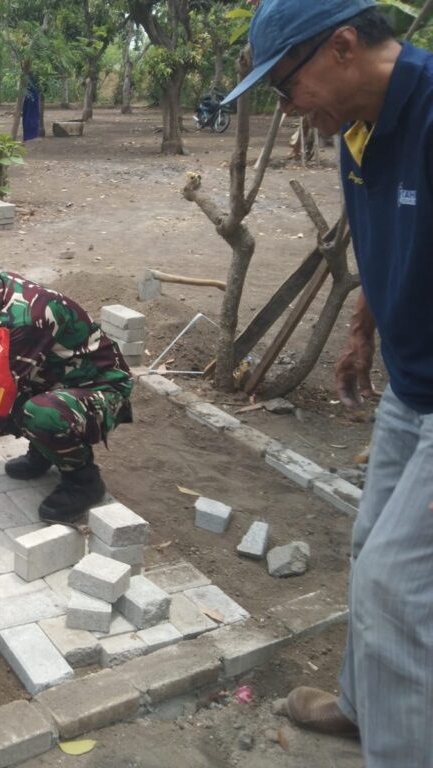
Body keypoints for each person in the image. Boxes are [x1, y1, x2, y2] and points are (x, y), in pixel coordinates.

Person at [221, 1, 433, 763]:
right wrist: (361, 332)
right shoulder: (356, 129)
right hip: (412, 387)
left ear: (342, 47)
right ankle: (365, 704)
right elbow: (385, 233)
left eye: (285, 85)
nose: (287, 109)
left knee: (399, 587)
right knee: (369, 544)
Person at [0, 237, 133, 524]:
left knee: (41, 414)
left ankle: (83, 480)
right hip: (45, 382)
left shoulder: (26, 317)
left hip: (99, 390)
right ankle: (43, 452)